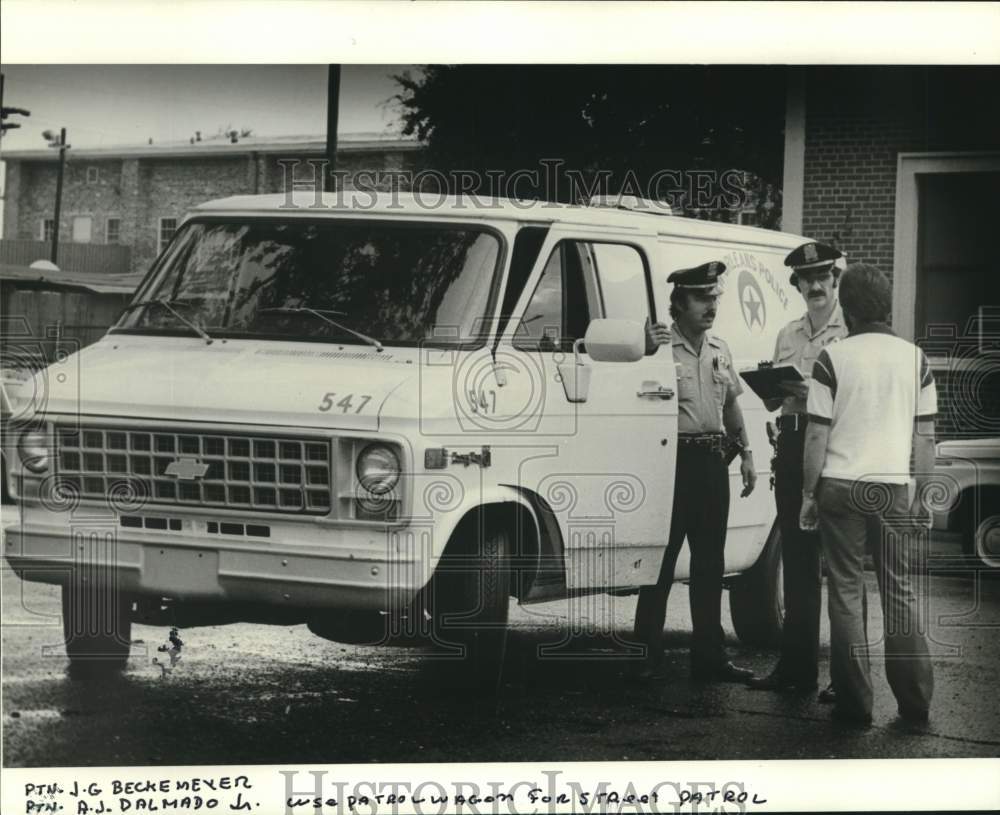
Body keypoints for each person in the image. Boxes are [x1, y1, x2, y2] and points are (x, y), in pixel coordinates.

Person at [800, 263, 937, 725]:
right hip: (894, 486)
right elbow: (924, 438)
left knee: (845, 591)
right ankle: (915, 700)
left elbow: (816, 436)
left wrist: (807, 494)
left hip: (840, 485)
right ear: (886, 303)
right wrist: (923, 491)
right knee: (899, 590)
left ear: (848, 306)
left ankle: (856, 705)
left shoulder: (831, 358)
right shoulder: (915, 359)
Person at [634, 261, 757, 682]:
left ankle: (710, 657)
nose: (711, 306)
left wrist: (747, 453)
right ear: (679, 303)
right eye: (703, 298)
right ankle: (644, 655)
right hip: (671, 463)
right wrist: (641, 349)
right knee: (663, 561)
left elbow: (731, 404)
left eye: (715, 298)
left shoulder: (720, 349)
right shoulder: (658, 349)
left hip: (710, 460)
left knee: (710, 563)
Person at [748, 241, 846, 703]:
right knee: (799, 562)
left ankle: (844, 677)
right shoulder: (789, 333)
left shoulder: (850, 334)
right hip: (790, 442)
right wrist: (771, 385)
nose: (814, 285)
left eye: (822, 276)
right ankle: (796, 668)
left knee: (842, 567)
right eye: (805, 279)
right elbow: (774, 401)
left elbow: (848, 399)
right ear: (797, 285)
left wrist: (813, 392)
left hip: (832, 445)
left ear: (835, 278)